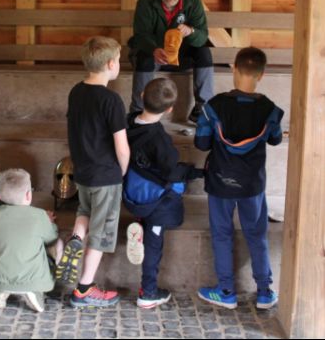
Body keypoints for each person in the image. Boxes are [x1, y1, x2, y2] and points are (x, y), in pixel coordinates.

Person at [195, 47, 283, 310]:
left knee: (222, 234)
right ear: (262, 75)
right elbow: (276, 139)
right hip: (252, 184)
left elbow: (201, 143)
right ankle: (265, 291)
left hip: (221, 181)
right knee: (257, 234)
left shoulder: (213, 106)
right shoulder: (270, 110)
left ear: (234, 68)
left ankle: (226, 291)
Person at [56, 36, 130, 308]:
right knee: (100, 234)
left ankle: (76, 239)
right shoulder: (111, 100)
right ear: (111, 64)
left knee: (84, 212)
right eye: (119, 60)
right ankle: (84, 289)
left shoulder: (76, 92)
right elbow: (122, 147)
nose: (119, 64)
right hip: (106, 176)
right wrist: (122, 172)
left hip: (83, 172)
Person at [123, 78, 200, 309]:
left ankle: (140, 222)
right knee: (155, 240)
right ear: (169, 110)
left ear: (142, 95)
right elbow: (172, 172)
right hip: (155, 202)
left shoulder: (127, 122)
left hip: (130, 192)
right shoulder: (161, 140)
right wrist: (195, 172)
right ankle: (148, 292)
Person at [128, 0, 214, 122]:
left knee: (204, 53)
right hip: (153, 56)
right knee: (143, 57)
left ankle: (202, 110)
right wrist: (154, 49)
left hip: (181, 58)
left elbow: (202, 37)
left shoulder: (193, 2)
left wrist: (191, 31)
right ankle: (138, 111)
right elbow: (140, 35)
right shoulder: (146, 1)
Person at [0, 168, 64, 313]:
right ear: (28, 195)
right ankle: (34, 292)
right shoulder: (39, 215)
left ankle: (0, 290)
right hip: (33, 278)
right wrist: (49, 222)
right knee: (58, 243)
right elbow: (51, 237)